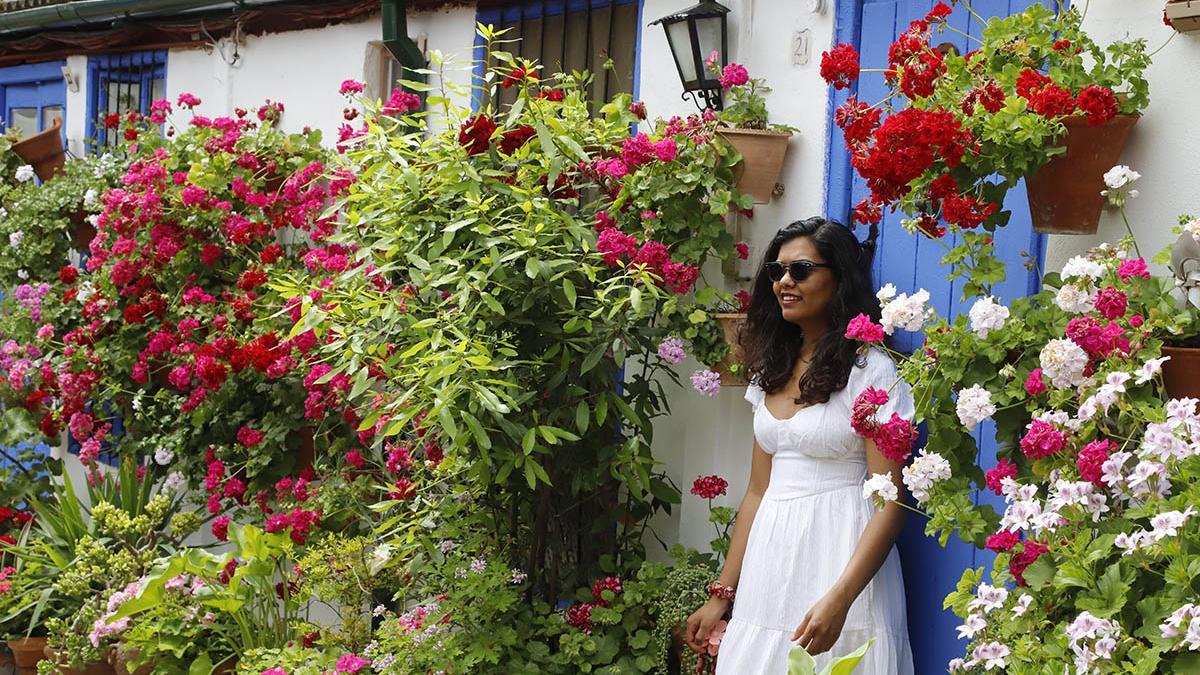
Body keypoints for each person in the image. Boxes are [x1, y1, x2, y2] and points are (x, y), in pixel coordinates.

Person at [686, 217, 914, 674]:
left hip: (839, 550)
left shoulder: (870, 370)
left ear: (840, 277)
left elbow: (889, 501)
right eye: (777, 270)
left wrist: (841, 597)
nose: (785, 281)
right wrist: (722, 594)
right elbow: (757, 491)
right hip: (771, 559)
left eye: (801, 270)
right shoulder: (770, 367)